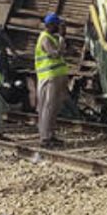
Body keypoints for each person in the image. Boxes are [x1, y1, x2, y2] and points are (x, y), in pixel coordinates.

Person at [35, 13, 70, 147]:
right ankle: (45, 137)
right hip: (49, 77)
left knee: (53, 107)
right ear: (50, 25)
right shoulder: (45, 39)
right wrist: (62, 37)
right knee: (48, 107)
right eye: (57, 25)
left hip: (54, 76)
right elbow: (55, 54)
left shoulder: (51, 37)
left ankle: (50, 134)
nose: (59, 27)